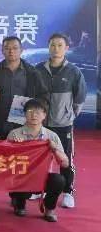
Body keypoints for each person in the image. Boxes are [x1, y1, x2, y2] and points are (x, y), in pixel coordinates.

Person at [36, 32, 86, 209]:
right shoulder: (38, 69)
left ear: (66, 48)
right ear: (48, 47)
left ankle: (68, 192)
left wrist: (67, 115)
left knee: (66, 159)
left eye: (60, 45)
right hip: (41, 124)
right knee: (39, 158)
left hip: (63, 124)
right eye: (52, 45)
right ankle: (39, 187)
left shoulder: (74, 71)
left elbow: (79, 99)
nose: (56, 48)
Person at [7, 99, 69, 222]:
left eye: (38, 112)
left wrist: (54, 149)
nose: (34, 115)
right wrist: (15, 147)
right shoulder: (14, 134)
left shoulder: (52, 136)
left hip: (42, 177)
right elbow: (5, 162)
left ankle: (49, 208)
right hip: (21, 175)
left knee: (59, 180)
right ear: (24, 114)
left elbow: (65, 163)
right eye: (30, 111)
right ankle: (19, 203)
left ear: (44, 115)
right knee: (14, 178)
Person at [0, 35, 48, 140]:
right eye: (7, 48)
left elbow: (43, 96)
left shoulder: (32, 73)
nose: (11, 51)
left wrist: (32, 108)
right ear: (2, 51)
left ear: (21, 50)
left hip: (24, 123)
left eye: (15, 48)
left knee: (21, 150)